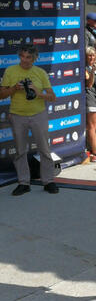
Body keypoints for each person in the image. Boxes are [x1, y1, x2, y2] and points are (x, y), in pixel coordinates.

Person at [0, 44, 58, 196]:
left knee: (45, 149)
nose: (24, 60)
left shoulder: (40, 72)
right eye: (22, 57)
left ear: (34, 59)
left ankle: (48, 181)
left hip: (38, 114)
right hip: (17, 115)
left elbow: (52, 97)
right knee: (20, 151)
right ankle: (23, 182)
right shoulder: (10, 71)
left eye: (28, 58)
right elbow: (1, 94)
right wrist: (14, 89)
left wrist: (38, 93)